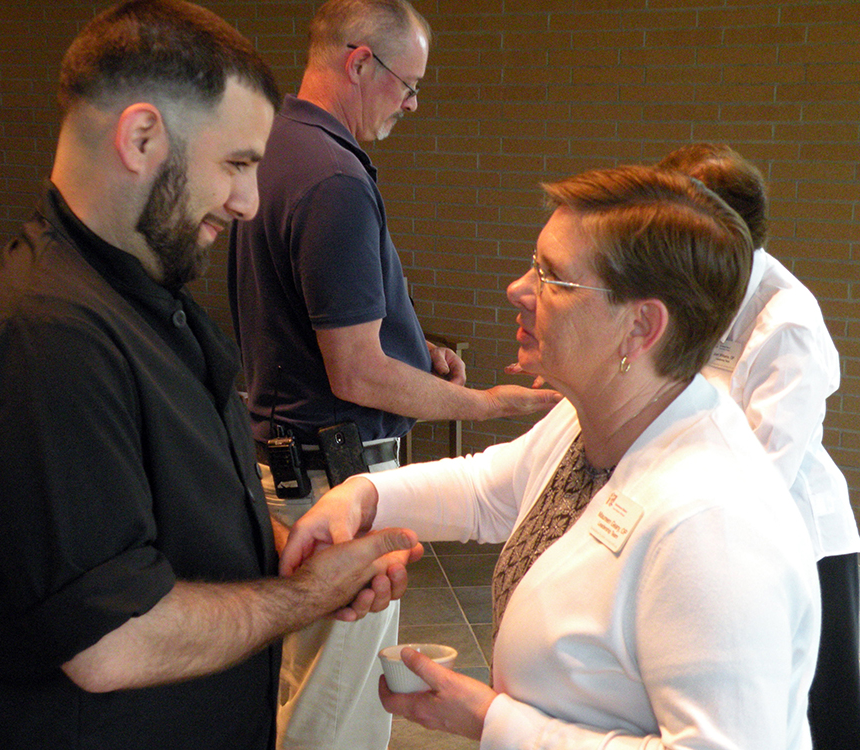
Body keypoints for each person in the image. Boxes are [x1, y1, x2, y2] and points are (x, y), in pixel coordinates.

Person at [0, 2, 422, 749]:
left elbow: (152, 524)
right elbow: (113, 639)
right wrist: (301, 594)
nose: (249, 203)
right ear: (141, 138)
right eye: (236, 164)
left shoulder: (144, 301)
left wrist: (281, 546)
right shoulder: (44, 338)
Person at [283, 165, 822, 749]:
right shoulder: (595, 413)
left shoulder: (714, 524)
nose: (517, 289)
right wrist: (361, 497)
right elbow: (492, 488)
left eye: (552, 278)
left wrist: (496, 724)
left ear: (641, 327)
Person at [228, 2, 558, 748]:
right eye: (407, 85)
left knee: (300, 682)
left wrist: (414, 349)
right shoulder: (335, 178)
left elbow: (311, 323)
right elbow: (357, 374)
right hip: (332, 471)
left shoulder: (274, 145)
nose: (410, 104)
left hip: (283, 458)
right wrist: (482, 402)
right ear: (359, 62)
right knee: (335, 707)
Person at [657, 142, 860, 750]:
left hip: (799, 542)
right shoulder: (699, 293)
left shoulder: (786, 318)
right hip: (721, 529)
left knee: (817, 715)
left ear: (725, 231)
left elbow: (764, 469)